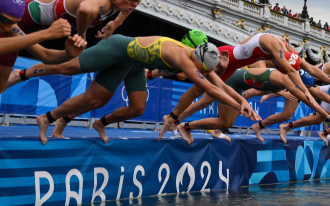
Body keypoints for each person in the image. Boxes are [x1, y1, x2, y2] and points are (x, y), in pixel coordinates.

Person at [7, 36, 260, 144]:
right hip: (118, 49)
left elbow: (219, 83)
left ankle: (92, 123)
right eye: (204, 69)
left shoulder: (198, 58)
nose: (205, 73)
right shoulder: (184, 58)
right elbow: (208, 87)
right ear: (199, 61)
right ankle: (21, 76)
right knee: (69, 69)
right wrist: (239, 104)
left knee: (136, 107)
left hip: (134, 63)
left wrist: (241, 101)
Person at [157, 33, 330, 139]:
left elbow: (307, 69)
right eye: (279, 66)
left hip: (232, 69)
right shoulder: (277, 51)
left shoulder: (287, 49)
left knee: (208, 100)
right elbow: (297, 81)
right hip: (224, 59)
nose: (276, 66)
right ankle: (173, 117)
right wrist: (320, 110)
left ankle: (175, 119)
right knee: (198, 87)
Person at [0, 0, 87, 92]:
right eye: (5, 20)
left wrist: (68, 54)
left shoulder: (10, 27)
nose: (7, 28)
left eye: (14, 23)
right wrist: (47, 33)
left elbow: (45, 55)